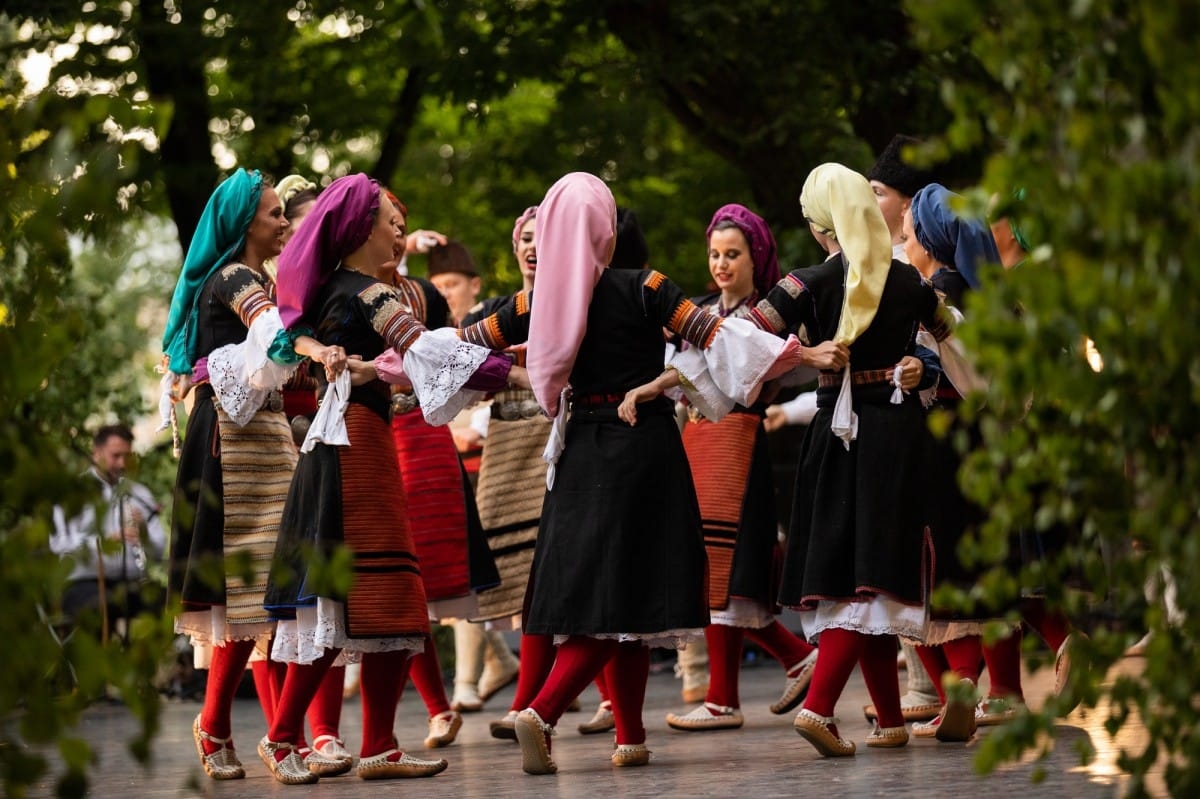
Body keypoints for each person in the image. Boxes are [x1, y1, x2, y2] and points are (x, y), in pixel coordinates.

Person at [460, 172, 817, 775]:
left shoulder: (536, 302)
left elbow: (465, 348)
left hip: (577, 455)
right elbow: (716, 335)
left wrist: (392, 361)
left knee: (610, 598)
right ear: (604, 228)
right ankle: (542, 711)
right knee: (626, 597)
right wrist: (801, 354)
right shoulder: (646, 286)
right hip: (643, 448)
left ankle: (630, 735)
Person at [259, 173, 519, 784]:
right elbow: (425, 350)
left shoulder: (342, 289)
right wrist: (524, 375)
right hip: (350, 452)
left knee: (388, 597)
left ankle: (378, 744)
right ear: (357, 229)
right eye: (388, 220)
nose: (399, 228)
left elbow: (390, 353)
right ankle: (280, 738)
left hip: (359, 446)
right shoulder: (368, 294)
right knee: (345, 595)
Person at [742, 163, 954, 757]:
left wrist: (804, 353)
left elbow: (741, 335)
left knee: (858, 581)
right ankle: (831, 708)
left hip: (837, 438)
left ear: (821, 224)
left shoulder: (806, 283)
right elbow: (955, 333)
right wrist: (919, 367)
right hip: (894, 436)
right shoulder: (910, 282)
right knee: (875, 576)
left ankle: (861, 714)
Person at [160, 168, 348, 782]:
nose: (284, 223)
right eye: (274, 214)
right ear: (245, 223)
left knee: (270, 593)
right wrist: (313, 350)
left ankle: (259, 733)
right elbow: (271, 332)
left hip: (262, 437)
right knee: (252, 594)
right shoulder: (237, 276)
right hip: (227, 442)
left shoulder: (255, 277)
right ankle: (229, 728)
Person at [664, 204, 819, 733]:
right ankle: (755, 680)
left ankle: (737, 689)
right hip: (697, 439)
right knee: (708, 567)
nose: (721, 264)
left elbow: (766, 380)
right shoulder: (698, 310)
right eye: (715, 254)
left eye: (733, 254)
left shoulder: (769, 315)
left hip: (740, 439)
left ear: (758, 257)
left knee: (727, 564)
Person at [901, 182, 1007, 742]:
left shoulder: (929, 296)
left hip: (935, 434)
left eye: (909, 232)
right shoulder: (980, 294)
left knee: (926, 566)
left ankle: (957, 687)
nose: (903, 239)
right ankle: (965, 684)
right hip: (976, 436)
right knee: (969, 563)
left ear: (930, 239)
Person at [51, 424, 166, 643]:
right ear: (96, 452)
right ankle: (93, 672)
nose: (122, 463)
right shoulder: (73, 492)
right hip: (82, 583)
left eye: (127, 456)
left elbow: (158, 552)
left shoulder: (139, 494)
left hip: (130, 582)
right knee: (100, 606)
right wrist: (104, 543)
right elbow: (58, 543)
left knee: (163, 601)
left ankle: (148, 671)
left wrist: (144, 535)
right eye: (116, 456)